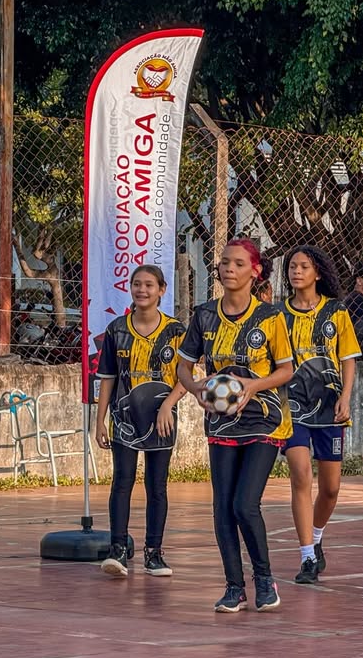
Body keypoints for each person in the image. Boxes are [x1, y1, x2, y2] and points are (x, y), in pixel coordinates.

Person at [177, 238, 294, 613]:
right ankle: (233, 586)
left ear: (254, 272)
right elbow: (183, 365)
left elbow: (286, 370)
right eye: (224, 262)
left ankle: (264, 579)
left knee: (245, 505)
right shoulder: (205, 315)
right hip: (222, 423)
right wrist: (196, 387)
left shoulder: (270, 317)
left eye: (238, 263)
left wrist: (252, 385)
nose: (228, 268)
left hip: (265, 419)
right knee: (222, 508)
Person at [94, 265, 188, 578]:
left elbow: (185, 377)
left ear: (162, 290)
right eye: (136, 284)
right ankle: (117, 548)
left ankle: (154, 552)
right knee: (122, 480)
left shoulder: (176, 332)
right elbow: (107, 378)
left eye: (149, 285)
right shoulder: (116, 329)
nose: (142, 290)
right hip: (124, 418)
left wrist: (167, 408)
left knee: (156, 484)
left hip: (161, 419)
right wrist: (100, 420)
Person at [279, 245, 360, 584]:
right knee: (301, 477)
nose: (296, 272)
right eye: (292, 266)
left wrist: (345, 396)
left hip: (329, 409)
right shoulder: (277, 316)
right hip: (293, 408)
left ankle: (316, 534)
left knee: (330, 489)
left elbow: (349, 359)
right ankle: (307, 556)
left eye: (303, 266)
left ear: (317, 273)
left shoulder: (336, 313)